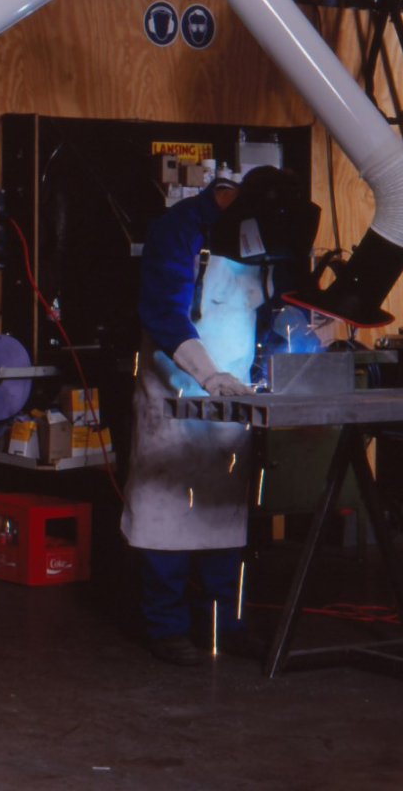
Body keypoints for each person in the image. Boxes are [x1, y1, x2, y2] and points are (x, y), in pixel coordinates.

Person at [122, 166, 317, 665]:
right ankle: (165, 627)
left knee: (224, 516)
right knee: (166, 513)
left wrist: (298, 348)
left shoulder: (274, 232)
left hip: (232, 399)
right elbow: (163, 312)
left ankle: (223, 623)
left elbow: (281, 311)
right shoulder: (180, 228)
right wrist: (208, 376)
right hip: (174, 394)